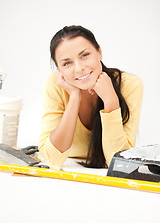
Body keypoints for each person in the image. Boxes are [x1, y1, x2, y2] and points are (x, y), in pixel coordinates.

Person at [38, 25, 143, 170]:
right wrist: (74, 97)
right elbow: (53, 159)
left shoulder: (130, 85)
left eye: (85, 55)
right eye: (67, 63)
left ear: (99, 52)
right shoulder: (56, 85)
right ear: (59, 70)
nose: (79, 68)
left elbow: (120, 164)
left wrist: (111, 101)